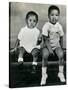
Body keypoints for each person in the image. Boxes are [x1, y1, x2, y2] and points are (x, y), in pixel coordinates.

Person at [40, 5, 65, 85]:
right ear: (48, 16)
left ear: (58, 16)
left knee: (61, 54)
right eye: (52, 15)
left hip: (56, 46)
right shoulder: (46, 25)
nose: (54, 17)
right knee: (45, 55)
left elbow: (61, 37)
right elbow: (45, 38)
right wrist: (50, 49)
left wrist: (61, 47)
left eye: (56, 15)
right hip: (47, 46)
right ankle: (44, 74)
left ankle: (60, 72)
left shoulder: (59, 26)